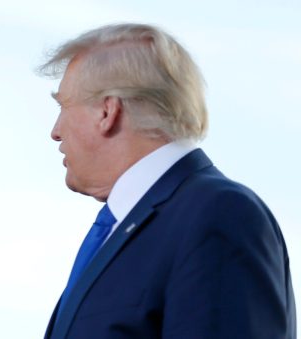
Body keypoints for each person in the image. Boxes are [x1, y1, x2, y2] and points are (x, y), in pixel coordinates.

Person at [40, 23, 295, 338]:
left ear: (108, 111)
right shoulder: (134, 224)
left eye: (63, 106)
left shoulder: (219, 214)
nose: (55, 131)